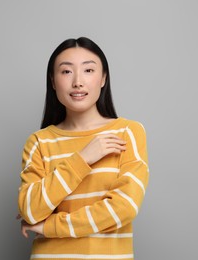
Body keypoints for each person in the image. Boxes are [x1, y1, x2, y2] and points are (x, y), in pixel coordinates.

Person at [17, 37, 149, 260]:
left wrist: (50, 226)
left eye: (88, 70)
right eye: (66, 72)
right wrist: (83, 159)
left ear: (103, 78)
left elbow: (124, 208)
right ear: (53, 80)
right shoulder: (39, 142)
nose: (78, 81)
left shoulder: (128, 132)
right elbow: (29, 210)